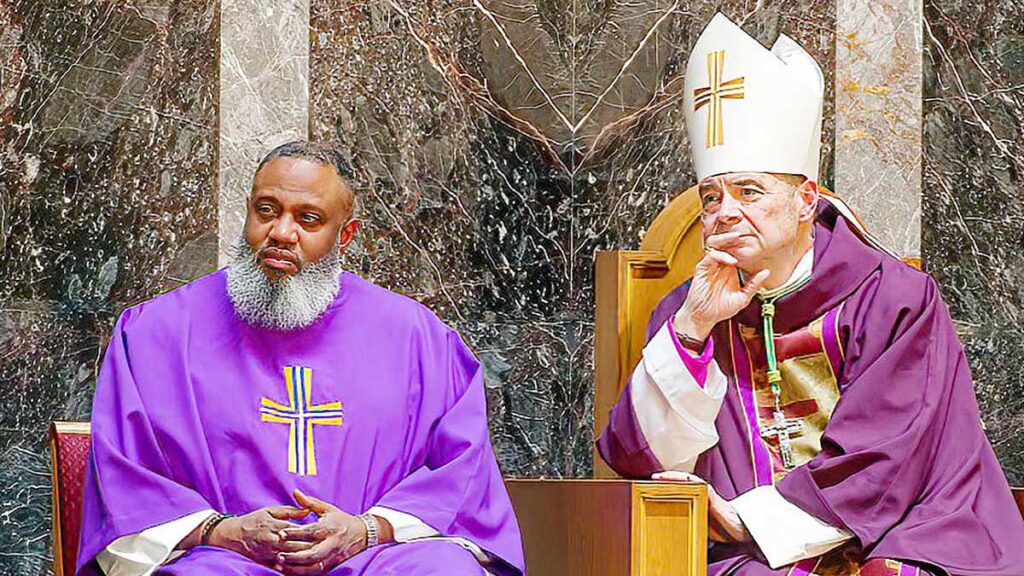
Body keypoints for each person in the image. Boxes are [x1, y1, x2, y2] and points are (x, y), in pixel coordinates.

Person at [597, 13, 1024, 576]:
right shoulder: (684, 310)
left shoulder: (893, 299)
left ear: (805, 200)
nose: (725, 212)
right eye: (710, 196)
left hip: (903, 532)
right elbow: (641, 461)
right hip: (751, 557)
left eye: (750, 191)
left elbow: (887, 456)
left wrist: (747, 519)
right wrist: (693, 331)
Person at [76, 141, 525, 576]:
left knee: (442, 570)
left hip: (371, 558)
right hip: (222, 559)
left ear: (344, 234)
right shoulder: (156, 333)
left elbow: (460, 477)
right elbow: (126, 481)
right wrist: (222, 530)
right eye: (266, 210)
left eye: (308, 219)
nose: (281, 233)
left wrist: (367, 529)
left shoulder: (419, 339)